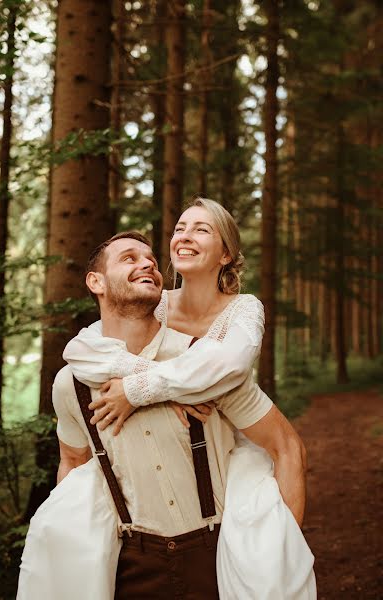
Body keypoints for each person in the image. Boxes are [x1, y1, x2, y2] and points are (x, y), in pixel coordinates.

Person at [62, 198, 316, 598]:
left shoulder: (244, 309)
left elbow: (228, 368)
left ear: (226, 254)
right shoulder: (153, 304)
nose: (184, 235)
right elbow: (89, 348)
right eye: (180, 227)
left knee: (265, 565)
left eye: (202, 229)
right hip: (163, 496)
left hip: (235, 452)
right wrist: (174, 390)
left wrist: (138, 390)